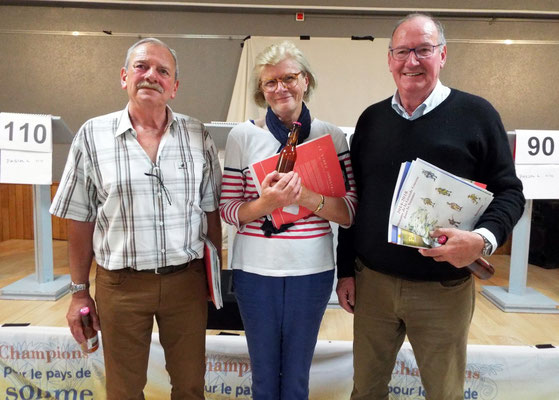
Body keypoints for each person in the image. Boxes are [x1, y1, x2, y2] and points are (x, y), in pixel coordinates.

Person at [336, 14, 525, 400]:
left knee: (444, 393)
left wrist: (482, 240)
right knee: (366, 390)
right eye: (403, 51)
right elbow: (354, 202)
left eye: (423, 50)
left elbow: (510, 192)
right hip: (373, 284)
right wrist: (345, 271)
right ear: (389, 59)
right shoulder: (370, 120)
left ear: (442, 55)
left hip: (443, 291)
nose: (412, 61)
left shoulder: (478, 115)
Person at [50, 37, 222, 400]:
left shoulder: (197, 135)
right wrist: (78, 292)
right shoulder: (92, 136)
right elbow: (79, 219)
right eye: (142, 67)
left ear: (174, 88)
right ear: (124, 77)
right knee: (124, 391)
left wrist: (213, 281)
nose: (151, 76)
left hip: (185, 284)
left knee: (191, 387)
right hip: (120, 287)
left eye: (163, 71)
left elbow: (211, 213)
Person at [220, 41, 358, 400]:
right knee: (264, 379)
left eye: (289, 78)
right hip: (255, 273)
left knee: (297, 379)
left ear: (306, 81)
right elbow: (229, 210)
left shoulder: (333, 136)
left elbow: (348, 212)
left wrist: (306, 197)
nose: (280, 88)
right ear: (261, 90)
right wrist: (266, 203)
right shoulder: (242, 136)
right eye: (270, 82)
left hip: (310, 273)